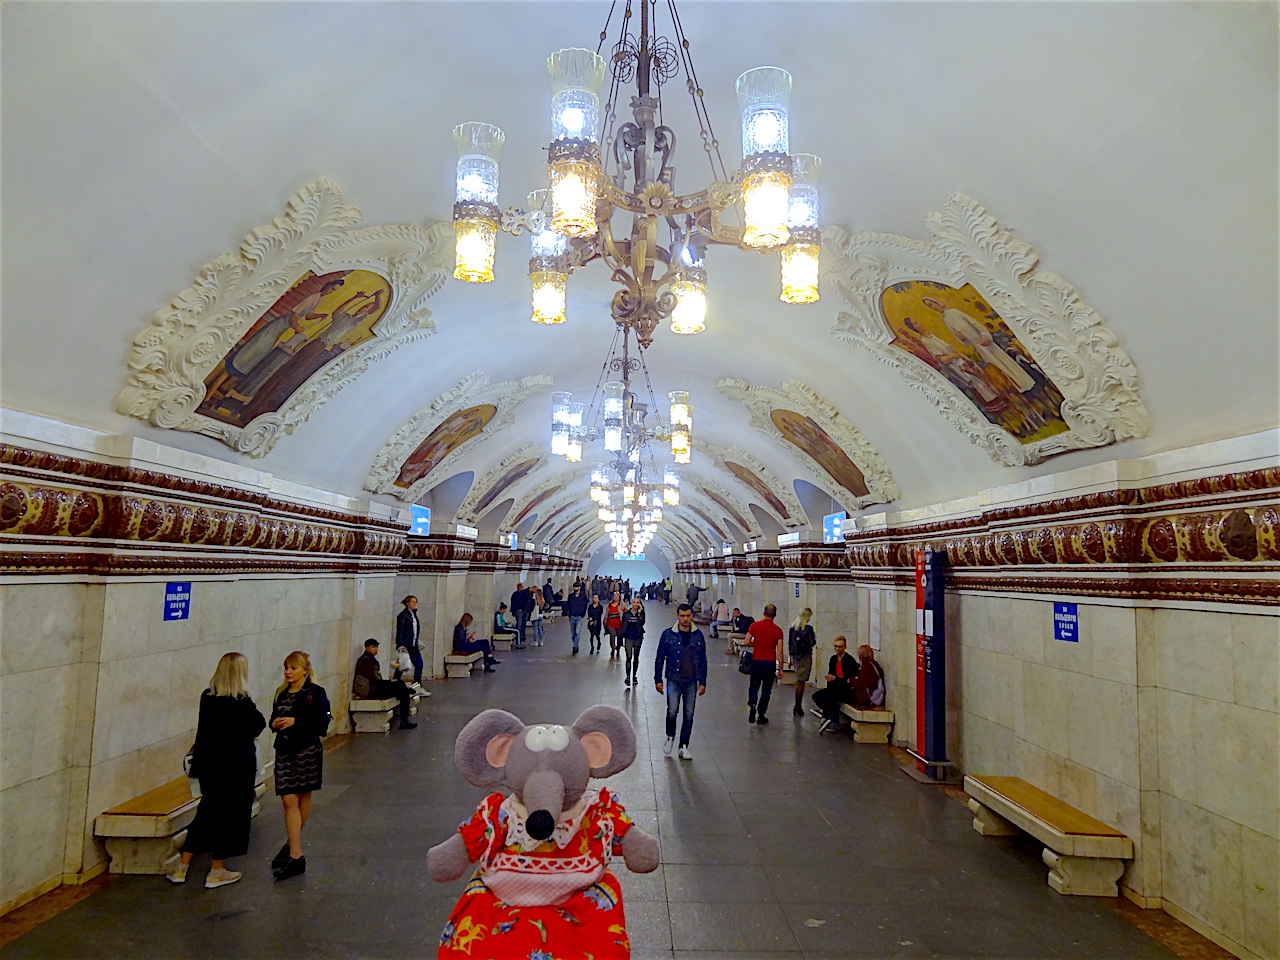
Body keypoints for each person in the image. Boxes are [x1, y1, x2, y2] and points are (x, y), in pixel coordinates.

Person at [168, 652, 265, 889]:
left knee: (207, 813)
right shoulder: (242, 702)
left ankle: (182, 867)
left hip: (209, 765)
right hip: (236, 767)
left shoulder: (207, 698)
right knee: (230, 817)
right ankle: (216, 871)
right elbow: (258, 725)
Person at [269, 650, 331, 881]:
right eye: (286, 667)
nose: (288, 672)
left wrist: (297, 721)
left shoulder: (315, 693)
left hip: (306, 750)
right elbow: (273, 718)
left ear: (304, 670)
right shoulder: (281, 693)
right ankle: (294, 850)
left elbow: (323, 720)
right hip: (284, 751)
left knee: (301, 797)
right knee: (288, 800)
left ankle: (293, 850)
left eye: (293, 668)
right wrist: (275, 723)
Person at [654, 603, 707, 760]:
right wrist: (658, 679)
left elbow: (703, 660)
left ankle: (683, 746)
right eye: (682, 616)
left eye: (688, 616)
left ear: (691, 616)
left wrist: (702, 681)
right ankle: (670, 736)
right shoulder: (668, 635)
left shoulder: (698, 635)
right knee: (672, 710)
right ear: (677, 616)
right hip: (673, 679)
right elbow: (660, 658)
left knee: (689, 714)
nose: (685, 619)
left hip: (691, 680)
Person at [353, 638, 416, 730]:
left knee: (401, 686)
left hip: (373, 688)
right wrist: (389, 683)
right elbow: (373, 680)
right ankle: (404, 721)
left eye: (377, 647)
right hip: (370, 691)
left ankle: (404, 718)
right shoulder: (366, 661)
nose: (376, 649)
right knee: (401, 687)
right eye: (373, 647)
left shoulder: (370, 659)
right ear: (367, 648)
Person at [744, 604, 784, 725]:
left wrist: (755, 644)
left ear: (763, 613)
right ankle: (761, 714)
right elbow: (780, 651)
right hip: (769, 663)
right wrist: (780, 668)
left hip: (757, 661)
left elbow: (746, 641)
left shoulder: (755, 626)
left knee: (754, 686)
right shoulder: (778, 630)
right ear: (775, 615)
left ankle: (752, 704)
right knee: (766, 689)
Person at [813, 636, 859, 733]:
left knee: (831, 698)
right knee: (817, 696)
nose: (837, 649)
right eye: (835, 646)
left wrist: (835, 679)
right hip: (835, 687)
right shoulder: (833, 659)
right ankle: (828, 714)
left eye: (840, 647)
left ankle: (831, 719)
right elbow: (831, 674)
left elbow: (849, 680)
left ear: (845, 647)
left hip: (846, 689)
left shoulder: (849, 661)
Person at [787, 608, 817, 717]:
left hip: (795, 657)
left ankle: (797, 705)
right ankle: (798, 706)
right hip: (805, 656)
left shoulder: (792, 628)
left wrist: (790, 659)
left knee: (799, 681)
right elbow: (812, 642)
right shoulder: (808, 629)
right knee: (802, 682)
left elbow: (790, 644)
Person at [395, 595, 425, 689]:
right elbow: (400, 631)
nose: (415, 604)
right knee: (402, 665)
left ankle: (417, 685)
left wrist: (416, 640)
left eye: (415, 602)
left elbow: (414, 630)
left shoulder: (413, 615)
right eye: (412, 602)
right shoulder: (403, 616)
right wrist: (400, 644)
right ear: (407, 603)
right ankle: (395, 682)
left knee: (418, 664)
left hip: (413, 645)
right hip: (406, 645)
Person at [620, 596, 646, 687]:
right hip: (628, 638)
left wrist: (639, 613)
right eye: (634, 602)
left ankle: (634, 675)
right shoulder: (626, 614)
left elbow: (641, 623)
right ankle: (627, 677)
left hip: (638, 638)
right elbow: (623, 626)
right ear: (631, 603)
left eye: (637, 602)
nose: (636, 604)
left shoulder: (642, 614)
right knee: (629, 657)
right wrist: (620, 639)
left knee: (636, 657)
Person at [851, 644, 887, 708]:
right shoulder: (874, 663)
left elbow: (861, 683)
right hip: (873, 695)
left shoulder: (867, 666)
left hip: (867, 698)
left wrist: (851, 680)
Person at [565, 583, 588, 655]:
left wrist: (582, 614)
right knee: (573, 633)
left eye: (577, 587)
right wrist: (567, 614)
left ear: (580, 588)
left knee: (577, 633)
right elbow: (568, 605)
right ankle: (576, 644)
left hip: (579, 617)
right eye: (574, 587)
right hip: (572, 617)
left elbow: (585, 606)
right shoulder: (570, 596)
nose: (575, 589)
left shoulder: (583, 597)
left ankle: (575, 647)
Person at [510, 583, 534, 648]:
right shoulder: (515, 594)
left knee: (523, 625)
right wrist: (514, 611)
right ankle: (518, 638)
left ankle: (523, 637)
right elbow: (514, 603)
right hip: (519, 611)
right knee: (519, 625)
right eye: (521, 587)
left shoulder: (524, 593)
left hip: (525, 611)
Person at [604, 592, 624, 658]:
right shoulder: (609, 605)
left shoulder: (622, 605)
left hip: (619, 623)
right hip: (610, 623)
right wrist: (605, 622)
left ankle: (618, 649)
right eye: (614, 596)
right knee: (612, 636)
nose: (615, 597)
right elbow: (606, 614)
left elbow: (625, 613)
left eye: (617, 596)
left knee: (619, 637)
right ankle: (612, 648)